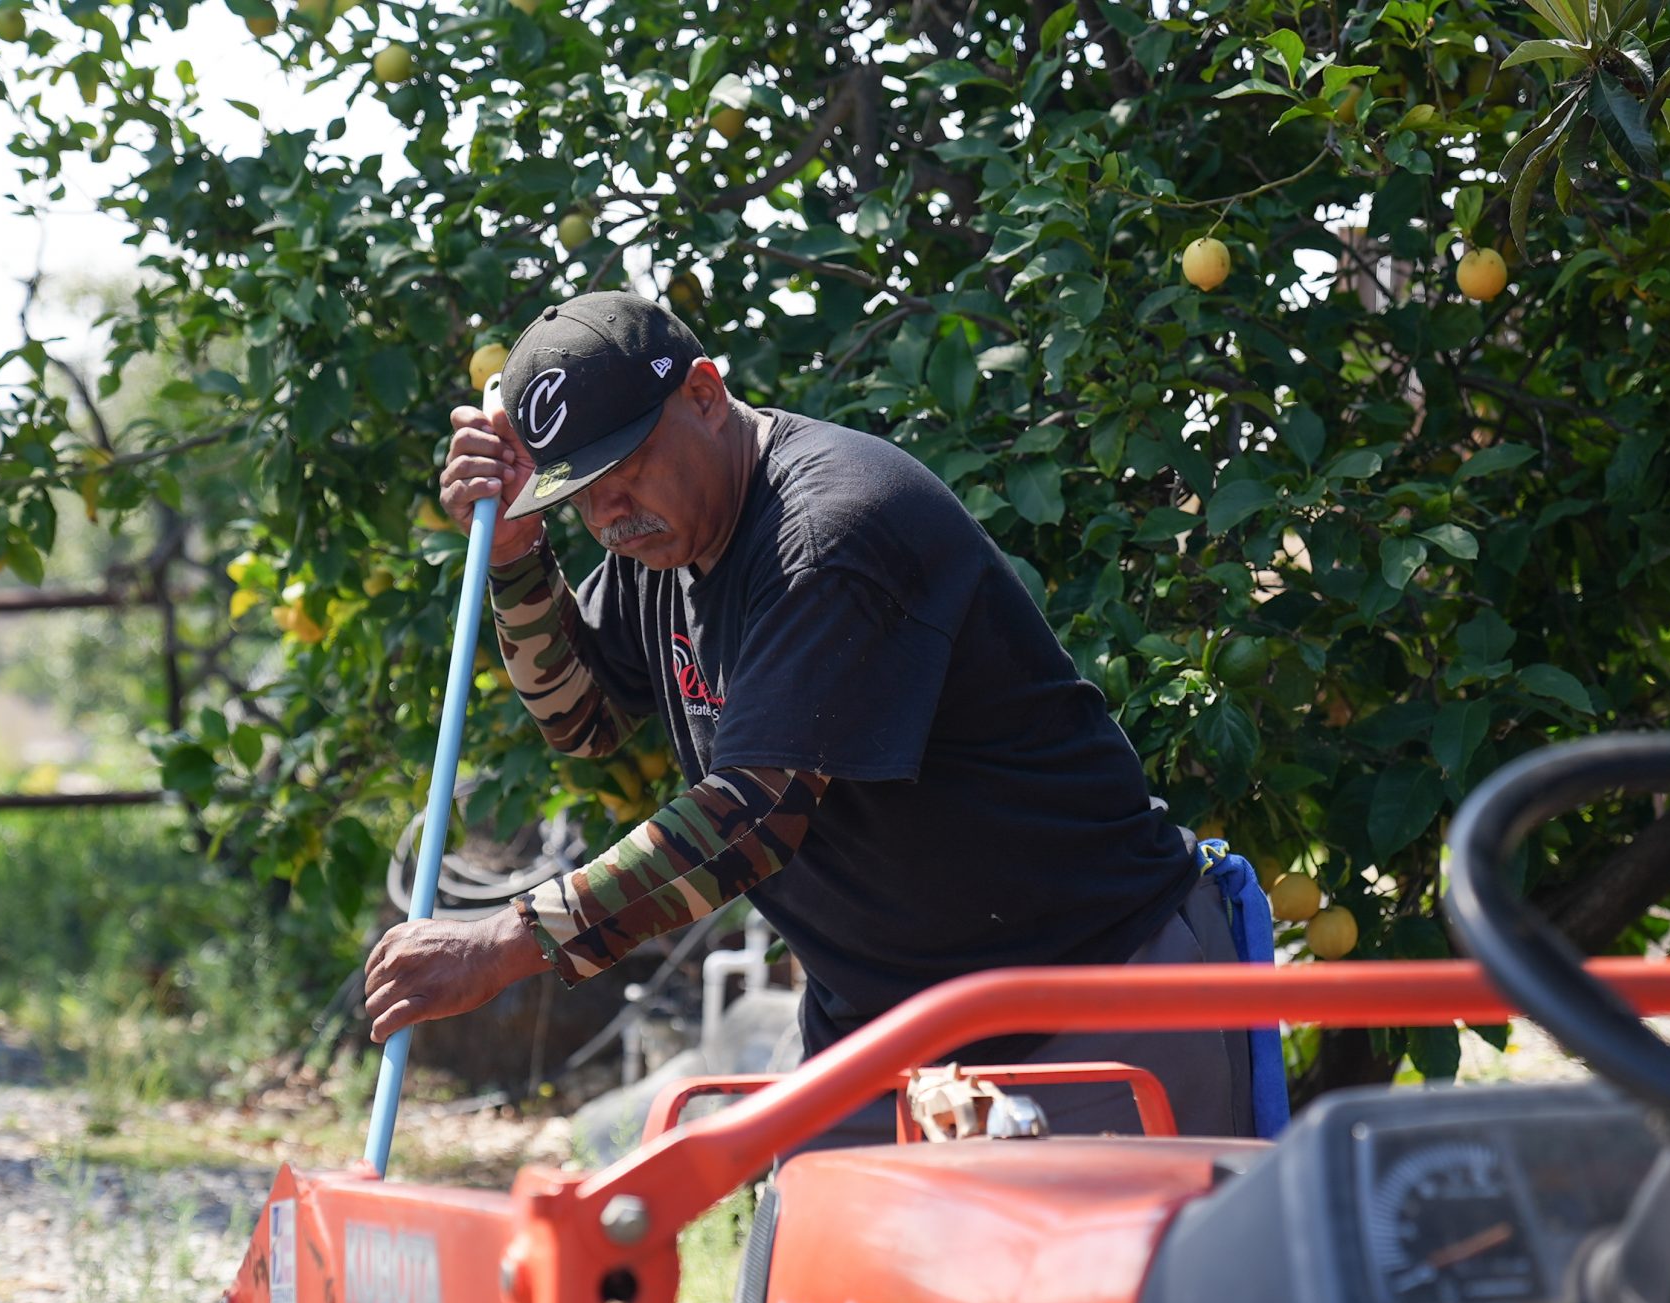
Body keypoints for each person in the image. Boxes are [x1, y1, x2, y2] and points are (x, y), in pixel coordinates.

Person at [363, 290, 1253, 1140]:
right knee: (814, 1300)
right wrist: (518, 553)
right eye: (576, 494)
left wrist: (503, 942)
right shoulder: (661, 539)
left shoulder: (826, 532)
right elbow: (582, 719)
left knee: (1094, 1298)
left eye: (623, 470)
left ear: (705, 395)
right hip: (880, 1030)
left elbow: (751, 820)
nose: (607, 514)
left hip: (1083, 1001)